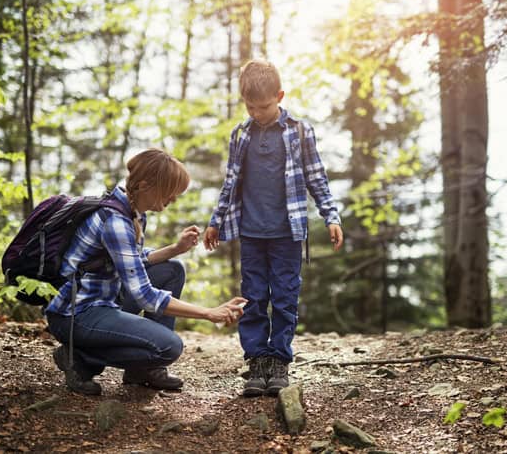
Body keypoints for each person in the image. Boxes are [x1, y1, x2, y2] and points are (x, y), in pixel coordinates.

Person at [45, 148, 246, 396]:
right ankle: (79, 359)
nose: (173, 198)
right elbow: (145, 296)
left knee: (171, 270)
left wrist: (176, 248)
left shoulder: (132, 211)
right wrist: (208, 313)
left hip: (105, 300)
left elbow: (134, 261)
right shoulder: (116, 221)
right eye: (170, 191)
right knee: (168, 347)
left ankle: (141, 371)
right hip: (76, 314)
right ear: (144, 186)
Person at [203, 59, 344, 397]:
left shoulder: (298, 131)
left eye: (264, 106)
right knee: (252, 297)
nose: (257, 112)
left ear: (279, 96)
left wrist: (331, 215)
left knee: (284, 297)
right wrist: (216, 221)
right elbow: (231, 183)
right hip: (250, 233)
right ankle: (257, 359)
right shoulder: (240, 134)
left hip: (287, 234)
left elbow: (316, 177)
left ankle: (278, 359)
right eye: (250, 106)